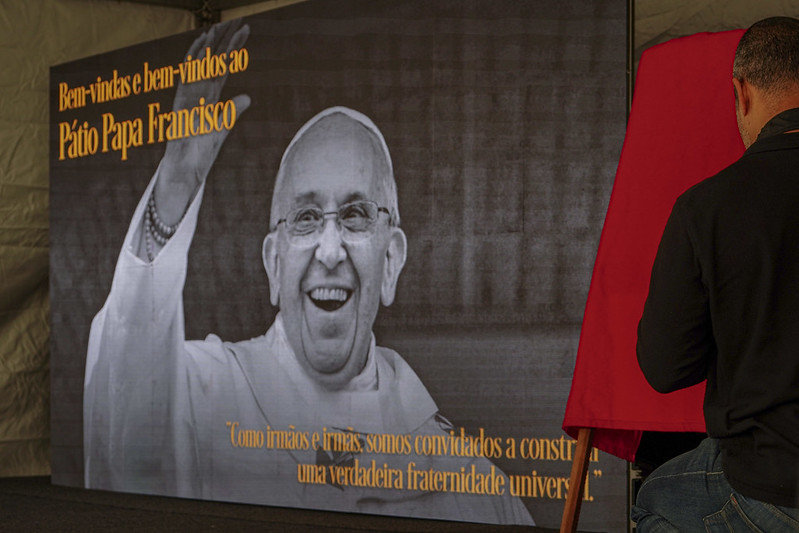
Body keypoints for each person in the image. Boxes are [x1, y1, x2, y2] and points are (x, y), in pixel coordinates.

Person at [83, 20, 533, 525]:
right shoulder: (202, 397)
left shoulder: (462, 476)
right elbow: (127, 422)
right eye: (305, 218)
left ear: (390, 262)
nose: (330, 250)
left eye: (356, 215)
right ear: (274, 266)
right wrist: (173, 193)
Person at [633, 17, 799, 531]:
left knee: (648, 501)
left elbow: (664, 368)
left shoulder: (705, 208)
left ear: (742, 91)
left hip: (770, 483)